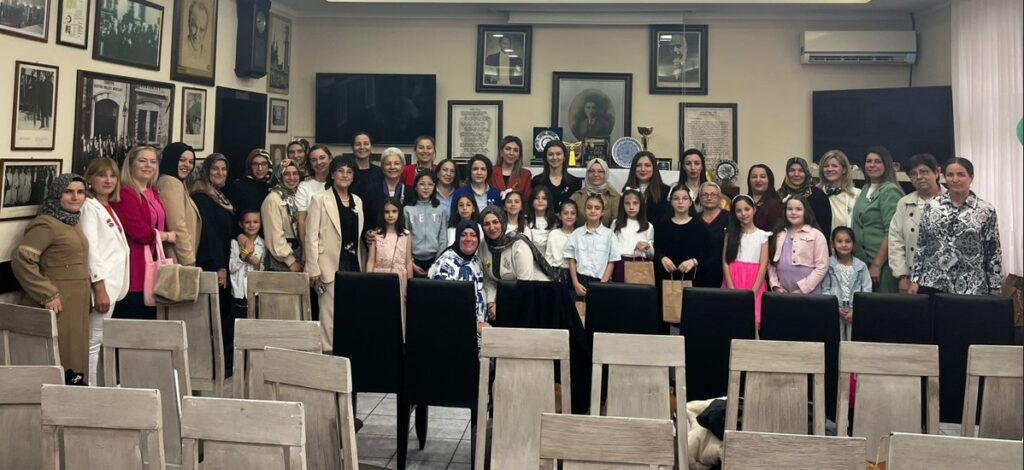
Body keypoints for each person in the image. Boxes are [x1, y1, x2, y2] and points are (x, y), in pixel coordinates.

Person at [12, 174, 91, 380]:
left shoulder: (71, 221)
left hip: (76, 303)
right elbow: (22, 259)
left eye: (80, 192)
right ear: (57, 194)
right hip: (58, 303)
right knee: (60, 356)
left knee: (75, 355)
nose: (75, 197)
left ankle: (74, 396)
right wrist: (47, 293)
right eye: (68, 192)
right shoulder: (47, 224)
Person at [911, 157, 1002, 296]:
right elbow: (921, 245)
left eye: (960, 174)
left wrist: (995, 286)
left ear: (971, 177)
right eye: (950, 175)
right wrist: (915, 279)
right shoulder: (931, 206)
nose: (955, 179)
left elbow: (993, 250)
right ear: (944, 177)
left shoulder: (985, 210)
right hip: (932, 282)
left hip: (971, 285)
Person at [306, 156, 366, 353]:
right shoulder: (319, 200)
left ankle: (348, 353)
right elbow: (311, 237)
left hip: (353, 263)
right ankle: (328, 354)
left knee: (351, 311)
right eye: (340, 171)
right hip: (327, 265)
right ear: (332, 174)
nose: (345, 175)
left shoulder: (357, 201)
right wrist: (313, 268)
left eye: (349, 172)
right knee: (329, 315)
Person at [79, 158, 130, 385]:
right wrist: (99, 288)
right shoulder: (89, 208)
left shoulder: (106, 206)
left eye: (112, 176)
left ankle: (100, 386)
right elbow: (91, 250)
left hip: (113, 285)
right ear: (90, 178)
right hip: (101, 286)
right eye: (101, 175)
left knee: (100, 340)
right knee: (93, 341)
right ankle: (90, 391)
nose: (108, 180)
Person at [111, 146, 174, 320]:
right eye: (142, 161)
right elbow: (140, 232)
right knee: (136, 317)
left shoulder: (153, 191)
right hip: (135, 267)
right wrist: (166, 236)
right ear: (131, 164)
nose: (148, 166)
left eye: (153, 162)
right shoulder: (125, 193)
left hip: (153, 263)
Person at [191, 154, 236, 345]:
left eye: (223, 169)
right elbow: (209, 234)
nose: (220, 173)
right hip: (212, 264)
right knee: (213, 313)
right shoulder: (202, 196)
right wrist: (219, 267)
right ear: (206, 171)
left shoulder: (219, 195)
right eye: (215, 168)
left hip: (223, 259)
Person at [478, 206, 553, 317]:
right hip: (506, 298)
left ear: (502, 222)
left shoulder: (518, 244)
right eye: (486, 224)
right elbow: (489, 280)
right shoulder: (483, 245)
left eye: (495, 222)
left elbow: (525, 283)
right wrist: (491, 302)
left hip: (534, 296)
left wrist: (502, 306)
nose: (492, 227)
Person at [851, 147, 904, 293]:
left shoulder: (890, 190)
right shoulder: (865, 189)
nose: (872, 165)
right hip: (863, 262)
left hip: (883, 265)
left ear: (886, 165)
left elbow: (892, 232)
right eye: (869, 161)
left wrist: (877, 264)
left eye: (877, 161)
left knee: (883, 305)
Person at [889, 153, 945, 293]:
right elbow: (896, 239)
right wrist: (902, 275)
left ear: (936, 173)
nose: (919, 177)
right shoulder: (904, 203)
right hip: (913, 279)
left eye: (924, 172)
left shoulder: (951, 200)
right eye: (914, 174)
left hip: (947, 278)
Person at [429, 220, 488, 340]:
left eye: (473, 235)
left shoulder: (476, 260)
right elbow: (445, 306)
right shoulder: (445, 264)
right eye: (463, 235)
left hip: (480, 334)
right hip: (455, 335)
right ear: (457, 238)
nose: (468, 239)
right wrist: (476, 325)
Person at [722, 195, 770, 328]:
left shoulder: (762, 235)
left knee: (753, 319)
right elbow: (725, 262)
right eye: (739, 210)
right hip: (733, 279)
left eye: (747, 209)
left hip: (754, 281)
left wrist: (754, 291)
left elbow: (763, 265)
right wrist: (731, 288)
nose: (743, 213)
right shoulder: (730, 234)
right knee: (731, 318)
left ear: (754, 210)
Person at [654, 185, 713, 292]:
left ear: (690, 202)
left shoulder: (699, 226)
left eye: (685, 198)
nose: (680, 202)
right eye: (676, 198)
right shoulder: (663, 226)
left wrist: (694, 261)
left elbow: (708, 253)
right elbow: (656, 249)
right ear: (671, 202)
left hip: (694, 280)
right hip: (667, 279)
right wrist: (662, 258)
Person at [768, 196, 829, 294]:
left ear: (806, 211)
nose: (793, 212)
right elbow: (771, 263)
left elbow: (822, 266)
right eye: (789, 209)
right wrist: (775, 286)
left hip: (809, 294)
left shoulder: (816, 235)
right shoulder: (779, 234)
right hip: (782, 293)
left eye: (798, 209)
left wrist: (803, 289)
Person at [566, 195, 620, 300]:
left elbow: (612, 261)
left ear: (602, 212)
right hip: (580, 281)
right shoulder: (576, 234)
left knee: (599, 310)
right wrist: (575, 282)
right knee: (578, 309)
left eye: (597, 208)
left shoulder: (609, 235)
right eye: (589, 207)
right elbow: (571, 259)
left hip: (601, 282)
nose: (593, 211)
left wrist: (603, 284)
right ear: (584, 210)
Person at [822, 226, 872, 341]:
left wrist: (857, 310)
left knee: (853, 341)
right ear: (833, 244)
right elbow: (825, 288)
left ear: (853, 244)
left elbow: (867, 290)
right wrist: (834, 307)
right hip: (835, 311)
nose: (843, 244)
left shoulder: (861, 266)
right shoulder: (828, 264)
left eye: (847, 241)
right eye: (839, 241)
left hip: (854, 312)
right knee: (835, 340)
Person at [157, 142, 202, 265]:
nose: (187, 165)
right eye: (182, 160)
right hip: (178, 258)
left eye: (191, 162)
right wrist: (189, 260)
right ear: (171, 159)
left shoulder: (177, 182)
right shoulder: (171, 183)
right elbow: (177, 226)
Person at [367, 197, 413, 302]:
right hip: (379, 278)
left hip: (400, 279)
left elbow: (408, 262)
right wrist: (368, 281)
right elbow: (371, 261)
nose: (390, 215)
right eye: (387, 212)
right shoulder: (375, 235)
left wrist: (410, 285)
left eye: (394, 211)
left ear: (399, 212)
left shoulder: (406, 235)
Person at [261, 158, 303, 272]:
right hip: (282, 259)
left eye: (295, 173)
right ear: (279, 175)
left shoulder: (297, 197)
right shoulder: (273, 199)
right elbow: (274, 235)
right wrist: (290, 261)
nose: (292, 178)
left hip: (298, 254)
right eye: (287, 174)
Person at [228, 209, 265, 336]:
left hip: (255, 293)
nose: (251, 225)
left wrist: (256, 262)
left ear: (261, 224)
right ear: (241, 224)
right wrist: (244, 254)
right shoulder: (234, 243)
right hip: (238, 292)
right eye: (247, 222)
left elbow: (263, 268)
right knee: (237, 328)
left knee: (254, 327)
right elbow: (232, 267)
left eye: (255, 222)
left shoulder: (263, 244)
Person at [404, 171, 448, 277]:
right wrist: (410, 262)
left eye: (430, 184)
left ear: (434, 187)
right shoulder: (407, 210)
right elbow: (404, 238)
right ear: (416, 187)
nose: (426, 188)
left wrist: (436, 262)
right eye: (422, 184)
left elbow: (443, 238)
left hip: (435, 259)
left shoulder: (440, 210)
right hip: (413, 260)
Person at [777, 157, 832, 234]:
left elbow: (825, 227)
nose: (796, 174)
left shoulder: (818, 195)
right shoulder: (779, 195)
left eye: (801, 170)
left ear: (806, 173)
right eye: (792, 170)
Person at [611, 188, 654, 283]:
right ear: (622, 205)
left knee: (638, 291)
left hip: (640, 264)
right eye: (627, 203)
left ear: (641, 205)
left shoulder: (648, 226)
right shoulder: (616, 223)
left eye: (635, 203)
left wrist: (647, 246)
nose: (631, 207)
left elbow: (651, 255)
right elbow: (611, 248)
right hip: (619, 264)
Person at [296, 145, 332, 248]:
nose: (318, 162)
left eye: (322, 158)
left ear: (330, 159)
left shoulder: (338, 184)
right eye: (314, 160)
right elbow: (301, 221)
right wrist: (304, 249)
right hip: (313, 243)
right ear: (310, 164)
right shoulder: (304, 186)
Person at [817, 150, 861, 233]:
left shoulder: (856, 195)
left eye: (834, 166)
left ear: (844, 169)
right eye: (826, 166)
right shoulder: (816, 193)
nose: (829, 169)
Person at [570, 158, 620, 227]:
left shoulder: (614, 197)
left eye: (600, 171)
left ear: (606, 173)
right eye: (591, 171)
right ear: (587, 173)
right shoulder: (577, 197)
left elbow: (618, 224)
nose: (596, 174)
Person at [350, 132, 384, 235]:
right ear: (353, 148)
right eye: (358, 144)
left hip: (376, 228)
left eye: (366, 144)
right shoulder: (348, 172)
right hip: (352, 225)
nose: (362, 147)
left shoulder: (379, 172)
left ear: (371, 147)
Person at [623, 151, 671, 223]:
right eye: (638, 165)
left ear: (654, 168)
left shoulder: (665, 191)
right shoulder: (626, 189)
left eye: (647, 165)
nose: (643, 169)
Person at [531, 140, 582, 207]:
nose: (554, 157)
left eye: (558, 154)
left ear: (564, 157)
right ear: (546, 158)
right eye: (551, 154)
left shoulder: (575, 183)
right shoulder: (537, 181)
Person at [698, 181, 729, 288]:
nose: (709, 198)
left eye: (713, 194)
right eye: (705, 195)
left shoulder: (729, 218)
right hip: (698, 273)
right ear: (700, 198)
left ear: (720, 198)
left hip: (722, 273)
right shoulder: (695, 219)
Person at [226, 148, 273, 215]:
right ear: (249, 166)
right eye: (255, 164)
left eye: (264, 164)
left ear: (269, 166)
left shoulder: (271, 188)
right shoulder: (238, 186)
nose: (260, 168)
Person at [545, 200, 578, 291]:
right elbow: (548, 257)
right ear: (560, 216)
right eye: (565, 213)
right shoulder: (554, 234)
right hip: (556, 274)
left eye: (572, 213)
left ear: (577, 217)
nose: (569, 216)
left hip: (575, 275)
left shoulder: (579, 234)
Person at [491, 136, 533, 200]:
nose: (511, 153)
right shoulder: (491, 171)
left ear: (519, 155)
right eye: (508, 149)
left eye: (515, 150)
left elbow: (527, 199)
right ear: (501, 152)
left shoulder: (526, 175)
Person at [747, 164, 784, 231]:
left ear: (770, 180)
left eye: (763, 177)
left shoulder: (776, 205)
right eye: (754, 177)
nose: (758, 180)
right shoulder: (743, 201)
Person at [524, 185, 556, 255]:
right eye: (536, 198)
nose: (540, 201)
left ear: (548, 203)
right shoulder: (525, 222)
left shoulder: (555, 223)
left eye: (544, 198)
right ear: (532, 202)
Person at [679, 149, 708, 214]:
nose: (693, 167)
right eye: (688, 164)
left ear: (702, 166)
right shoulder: (675, 187)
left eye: (697, 163)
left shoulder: (710, 188)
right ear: (683, 166)